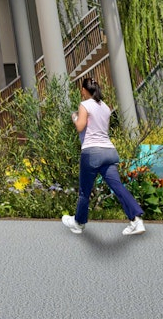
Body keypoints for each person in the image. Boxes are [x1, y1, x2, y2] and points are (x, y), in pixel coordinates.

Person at [62, 76, 146, 237]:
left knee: (84, 191)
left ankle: (79, 223)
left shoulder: (84, 105)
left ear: (84, 91)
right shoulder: (106, 107)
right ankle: (136, 220)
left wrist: (74, 117)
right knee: (118, 187)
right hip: (108, 151)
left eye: (82, 90)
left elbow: (80, 127)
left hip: (92, 152)